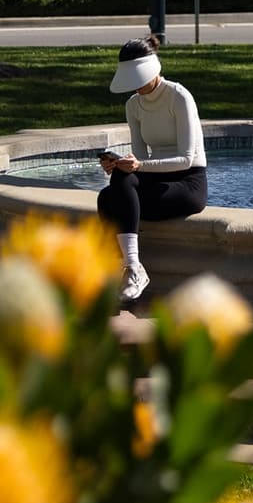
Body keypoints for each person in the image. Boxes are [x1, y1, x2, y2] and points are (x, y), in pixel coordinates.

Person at [95, 36, 206, 306]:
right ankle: (120, 270)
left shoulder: (178, 96)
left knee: (118, 190)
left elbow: (186, 159)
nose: (137, 87)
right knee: (106, 196)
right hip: (157, 182)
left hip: (188, 184)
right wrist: (118, 164)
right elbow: (140, 156)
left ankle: (133, 270)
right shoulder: (133, 105)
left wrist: (139, 166)